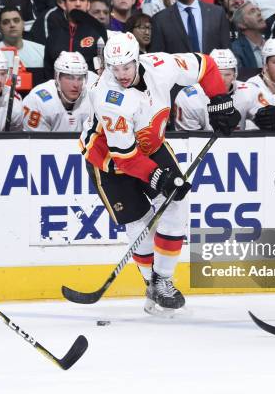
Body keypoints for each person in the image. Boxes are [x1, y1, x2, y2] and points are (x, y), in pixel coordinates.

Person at [80, 32, 240, 314]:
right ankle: (150, 282)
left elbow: (206, 65)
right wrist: (159, 178)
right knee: (139, 222)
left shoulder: (161, 66)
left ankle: (162, 281)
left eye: (126, 67)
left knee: (176, 205)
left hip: (151, 145)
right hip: (110, 160)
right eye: (114, 68)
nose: (121, 74)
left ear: (137, 58)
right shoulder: (107, 97)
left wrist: (220, 101)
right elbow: (126, 158)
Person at [174, 48, 247, 131]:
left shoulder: (249, 91)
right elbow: (190, 139)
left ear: (235, 75)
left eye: (227, 74)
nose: (222, 79)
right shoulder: (188, 98)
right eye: (218, 74)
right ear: (208, 73)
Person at [43, 0, 108, 79]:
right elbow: (48, 73)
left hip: (90, 90)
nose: (78, 4)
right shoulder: (53, 36)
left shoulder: (98, 33)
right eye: (73, 0)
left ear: (88, 4)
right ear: (64, 4)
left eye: (82, 0)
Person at [22, 51, 93, 131]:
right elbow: (36, 142)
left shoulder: (92, 96)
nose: (76, 85)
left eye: (80, 78)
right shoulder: (37, 101)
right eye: (69, 77)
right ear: (57, 77)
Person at [149, 0, 230, 53]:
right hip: (178, 71)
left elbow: (226, 49)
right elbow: (157, 57)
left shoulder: (217, 13)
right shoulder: (160, 19)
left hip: (212, 70)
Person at [230, 1, 266, 70]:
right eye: (252, 12)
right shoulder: (236, 50)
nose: (259, 13)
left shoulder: (272, 43)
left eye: (258, 10)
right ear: (241, 24)